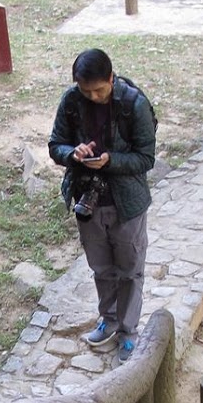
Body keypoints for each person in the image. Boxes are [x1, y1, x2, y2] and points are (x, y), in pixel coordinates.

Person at [48, 48, 157, 361]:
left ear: (111, 78)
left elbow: (146, 158)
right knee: (101, 268)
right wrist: (73, 153)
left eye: (99, 90)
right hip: (89, 201)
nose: (93, 97)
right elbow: (56, 145)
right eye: (86, 91)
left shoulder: (134, 104)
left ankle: (128, 331)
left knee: (130, 270)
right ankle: (108, 320)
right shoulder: (71, 101)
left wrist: (111, 161)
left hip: (127, 203)